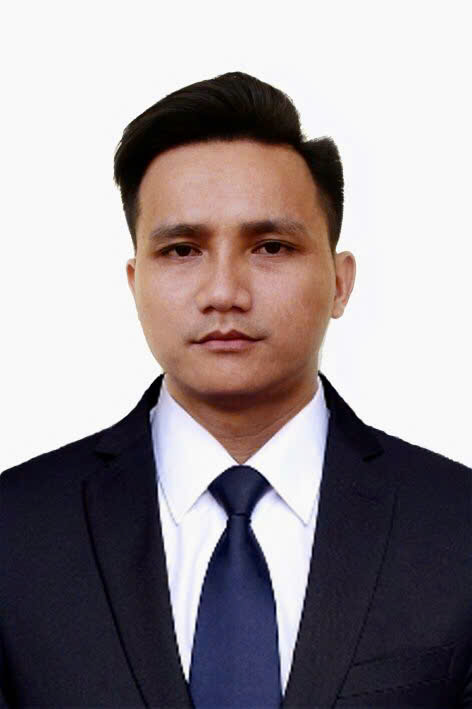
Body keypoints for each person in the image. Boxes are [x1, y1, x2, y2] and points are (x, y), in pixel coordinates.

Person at [1, 71, 471, 709]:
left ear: (340, 282)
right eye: (182, 250)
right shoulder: (17, 529)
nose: (224, 292)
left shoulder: (455, 524)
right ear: (135, 282)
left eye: (271, 246)